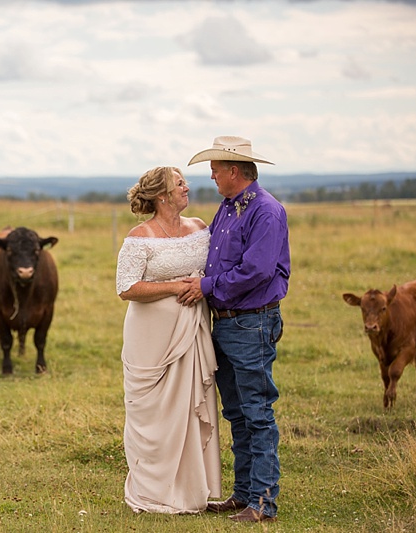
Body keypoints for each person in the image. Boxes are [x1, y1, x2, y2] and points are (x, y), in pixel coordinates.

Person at [179, 136, 290, 523]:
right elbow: (214, 259)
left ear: (233, 171)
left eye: (214, 169)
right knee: (237, 414)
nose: (210, 175)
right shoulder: (227, 209)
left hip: (252, 321)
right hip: (225, 323)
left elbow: (256, 270)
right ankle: (244, 495)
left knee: (257, 412)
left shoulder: (266, 211)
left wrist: (206, 287)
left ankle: (263, 502)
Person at [115, 166, 221, 514]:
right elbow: (126, 288)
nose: (187, 187)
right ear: (162, 195)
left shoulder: (201, 228)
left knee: (190, 407)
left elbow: (214, 270)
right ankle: (152, 490)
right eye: (180, 184)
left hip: (191, 334)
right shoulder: (139, 236)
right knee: (152, 414)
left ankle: (193, 488)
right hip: (150, 339)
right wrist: (178, 286)